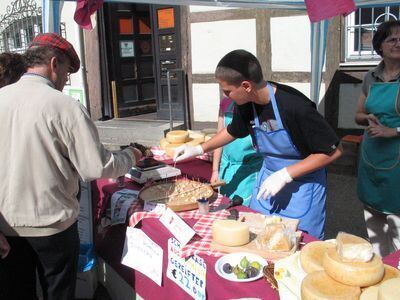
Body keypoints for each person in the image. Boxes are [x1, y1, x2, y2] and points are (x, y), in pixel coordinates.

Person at [0, 33, 142, 299]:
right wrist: (131, 155)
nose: (66, 79)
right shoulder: (64, 106)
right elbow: (96, 167)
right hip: (52, 227)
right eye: (67, 71)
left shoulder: (2, 97)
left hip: (6, 227)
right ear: (54, 63)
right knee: (59, 294)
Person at [174, 49, 342, 239]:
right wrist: (198, 149)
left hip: (303, 187)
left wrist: (286, 174)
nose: (225, 95)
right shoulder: (246, 104)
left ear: (246, 85)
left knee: (297, 244)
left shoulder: (295, 106)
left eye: (227, 90)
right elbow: (233, 131)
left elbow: (333, 151)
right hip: (268, 181)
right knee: (257, 235)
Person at [355, 20, 400, 257]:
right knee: (375, 228)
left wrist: (394, 131)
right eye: (392, 39)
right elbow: (358, 115)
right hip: (372, 156)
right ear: (380, 45)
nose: (398, 43)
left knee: (398, 230)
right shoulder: (370, 77)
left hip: (398, 163)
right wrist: (368, 117)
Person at [210, 96, 263, 206]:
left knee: (244, 209)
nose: (227, 93)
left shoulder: (257, 106)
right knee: (226, 206)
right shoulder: (225, 104)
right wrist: (215, 170)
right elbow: (219, 139)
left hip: (249, 170)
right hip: (227, 169)